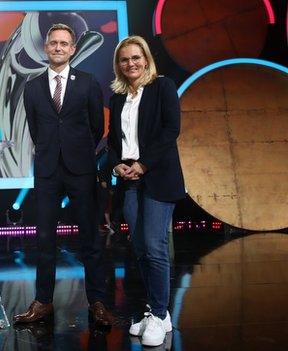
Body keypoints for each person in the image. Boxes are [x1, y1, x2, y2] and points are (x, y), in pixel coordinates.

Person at [13, 23, 113, 326]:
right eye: (53, 43)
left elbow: (97, 127)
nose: (58, 47)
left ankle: (97, 302)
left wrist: (78, 150)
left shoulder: (88, 82)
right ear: (46, 48)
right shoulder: (32, 87)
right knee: (44, 240)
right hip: (47, 171)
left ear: (72, 49)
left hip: (81, 169)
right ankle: (43, 302)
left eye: (64, 43)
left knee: (90, 240)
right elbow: (35, 127)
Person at [108, 35, 185, 346]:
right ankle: (159, 311)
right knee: (139, 247)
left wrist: (144, 164)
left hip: (158, 177)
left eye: (136, 57)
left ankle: (158, 311)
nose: (131, 63)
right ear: (119, 64)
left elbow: (171, 130)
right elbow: (113, 142)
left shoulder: (162, 87)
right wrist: (116, 165)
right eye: (125, 59)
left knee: (154, 246)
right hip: (128, 178)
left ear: (146, 58)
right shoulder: (116, 97)